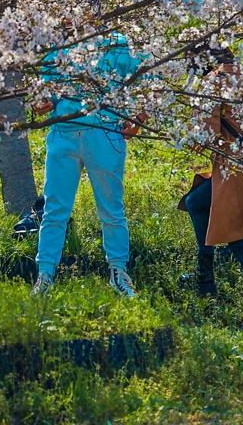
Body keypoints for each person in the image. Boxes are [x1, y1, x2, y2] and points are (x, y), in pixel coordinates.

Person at [33, 32, 143, 296]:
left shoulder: (117, 41)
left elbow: (140, 80)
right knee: (55, 209)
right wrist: (42, 103)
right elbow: (44, 94)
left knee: (111, 208)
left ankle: (118, 271)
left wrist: (138, 118)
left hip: (104, 133)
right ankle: (45, 275)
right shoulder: (58, 42)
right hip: (64, 134)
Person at [180, 46, 243, 328]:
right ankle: (206, 278)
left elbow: (204, 134)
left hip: (234, 167)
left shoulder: (214, 80)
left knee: (238, 237)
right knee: (196, 202)